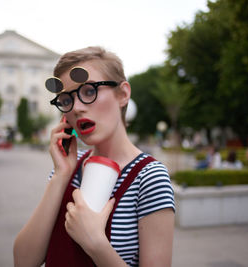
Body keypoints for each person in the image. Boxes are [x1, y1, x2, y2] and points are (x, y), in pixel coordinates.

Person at [13, 47, 175, 267]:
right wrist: (60, 176)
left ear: (123, 94)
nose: (77, 108)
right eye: (66, 99)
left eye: (89, 91)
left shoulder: (149, 177)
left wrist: (96, 243)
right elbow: (23, 261)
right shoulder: (67, 168)